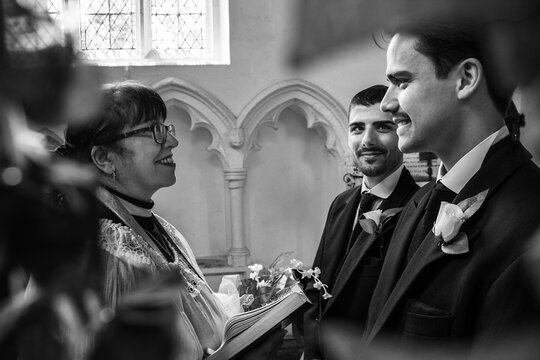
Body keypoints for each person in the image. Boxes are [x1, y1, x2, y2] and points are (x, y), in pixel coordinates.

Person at [59, 81, 284, 360]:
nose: (172, 141)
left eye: (166, 128)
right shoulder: (108, 252)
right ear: (104, 157)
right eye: (154, 130)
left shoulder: (163, 231)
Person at [363, 22, 540, 351]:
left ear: (466, 79)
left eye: (402, 82)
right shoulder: (421, 201)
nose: (386, 103)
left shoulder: (530, 224)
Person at [302, 85, 419, 360]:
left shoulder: (420, 209)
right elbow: (318, 286)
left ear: (402, 131)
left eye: (382, 127)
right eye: (357, 128)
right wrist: (311, 352)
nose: (367, 140)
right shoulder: (341, 203)